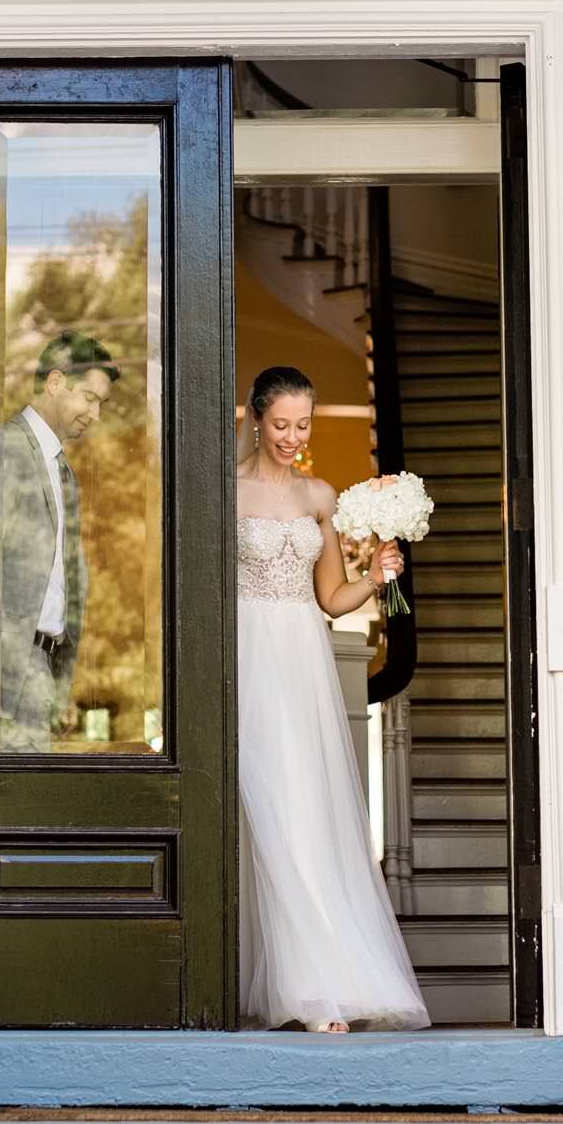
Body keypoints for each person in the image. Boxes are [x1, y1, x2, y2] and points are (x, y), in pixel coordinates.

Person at [235, 365, 430, 1034]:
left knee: (307, 811)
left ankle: (323, 984)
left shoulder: (319, 495)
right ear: (256, 417)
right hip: (245, 656)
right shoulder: (225, 493)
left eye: (304, 423)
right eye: (282, 423)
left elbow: (329, 598)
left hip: (302, 658)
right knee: (269, 811)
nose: (293, 436)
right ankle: (299, 984)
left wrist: (376, 576)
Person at [0, 331, 119, 752]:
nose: (95, 415)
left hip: (42, 665)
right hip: (8, 677)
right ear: (56, 382)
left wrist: (58, 685)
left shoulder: (61, 469)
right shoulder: (5, 450)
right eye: (90, 398)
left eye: (101, 403)